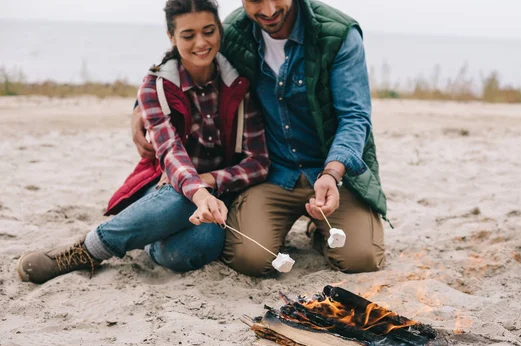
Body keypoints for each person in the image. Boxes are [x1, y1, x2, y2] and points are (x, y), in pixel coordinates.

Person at [17, 0, 269, 284]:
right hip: (167, 187)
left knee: (204, 243)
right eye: (188, 35)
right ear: (171, 37)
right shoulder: (155, 87)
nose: (201, 42)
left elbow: (258, 163)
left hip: (219, 192)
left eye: (209, 31)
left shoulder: (238, 84)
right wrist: (197, 191)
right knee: (179, 199)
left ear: (219, 31)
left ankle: (148, 235)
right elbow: (171, 153)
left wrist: (208, 181)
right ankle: (87, 250)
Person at [133, 0, 387, 277]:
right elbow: (181, 62)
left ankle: (320, 229)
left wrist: (333, 172)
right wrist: (137, 110)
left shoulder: (338, 33)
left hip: (334, 175)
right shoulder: (230, 32)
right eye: (255, 0)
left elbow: (355, 117)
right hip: (271, 174)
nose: (268, 10)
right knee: (249, 260)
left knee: (361, 259)